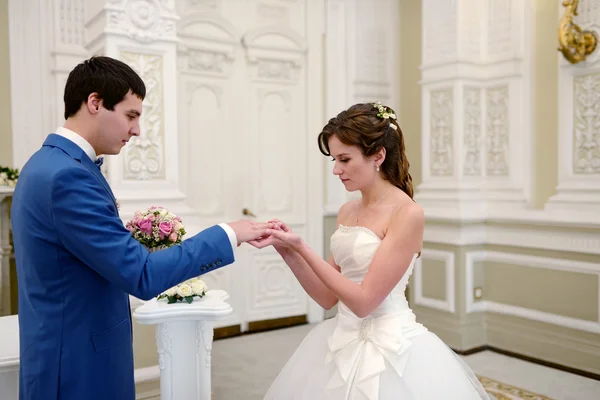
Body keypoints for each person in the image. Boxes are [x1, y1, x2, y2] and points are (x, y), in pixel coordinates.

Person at [10, 56, 272, 400]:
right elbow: (141, 275)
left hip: (67, 347)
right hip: (77, 363)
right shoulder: (66, 176)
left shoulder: (49, 162)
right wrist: (228, 234)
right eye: (131, 115)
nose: (136, 130)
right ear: (94, 102)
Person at [250, 102, 490, 399]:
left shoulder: (407, 213)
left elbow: (364, 302)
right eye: (334, 160)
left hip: (391, 344)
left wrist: (302, 247)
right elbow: (327, 298)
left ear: (378, 156)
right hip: (341, 336)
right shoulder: (347, 211)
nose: (337, 170)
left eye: (345, 159)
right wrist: (286, 250)